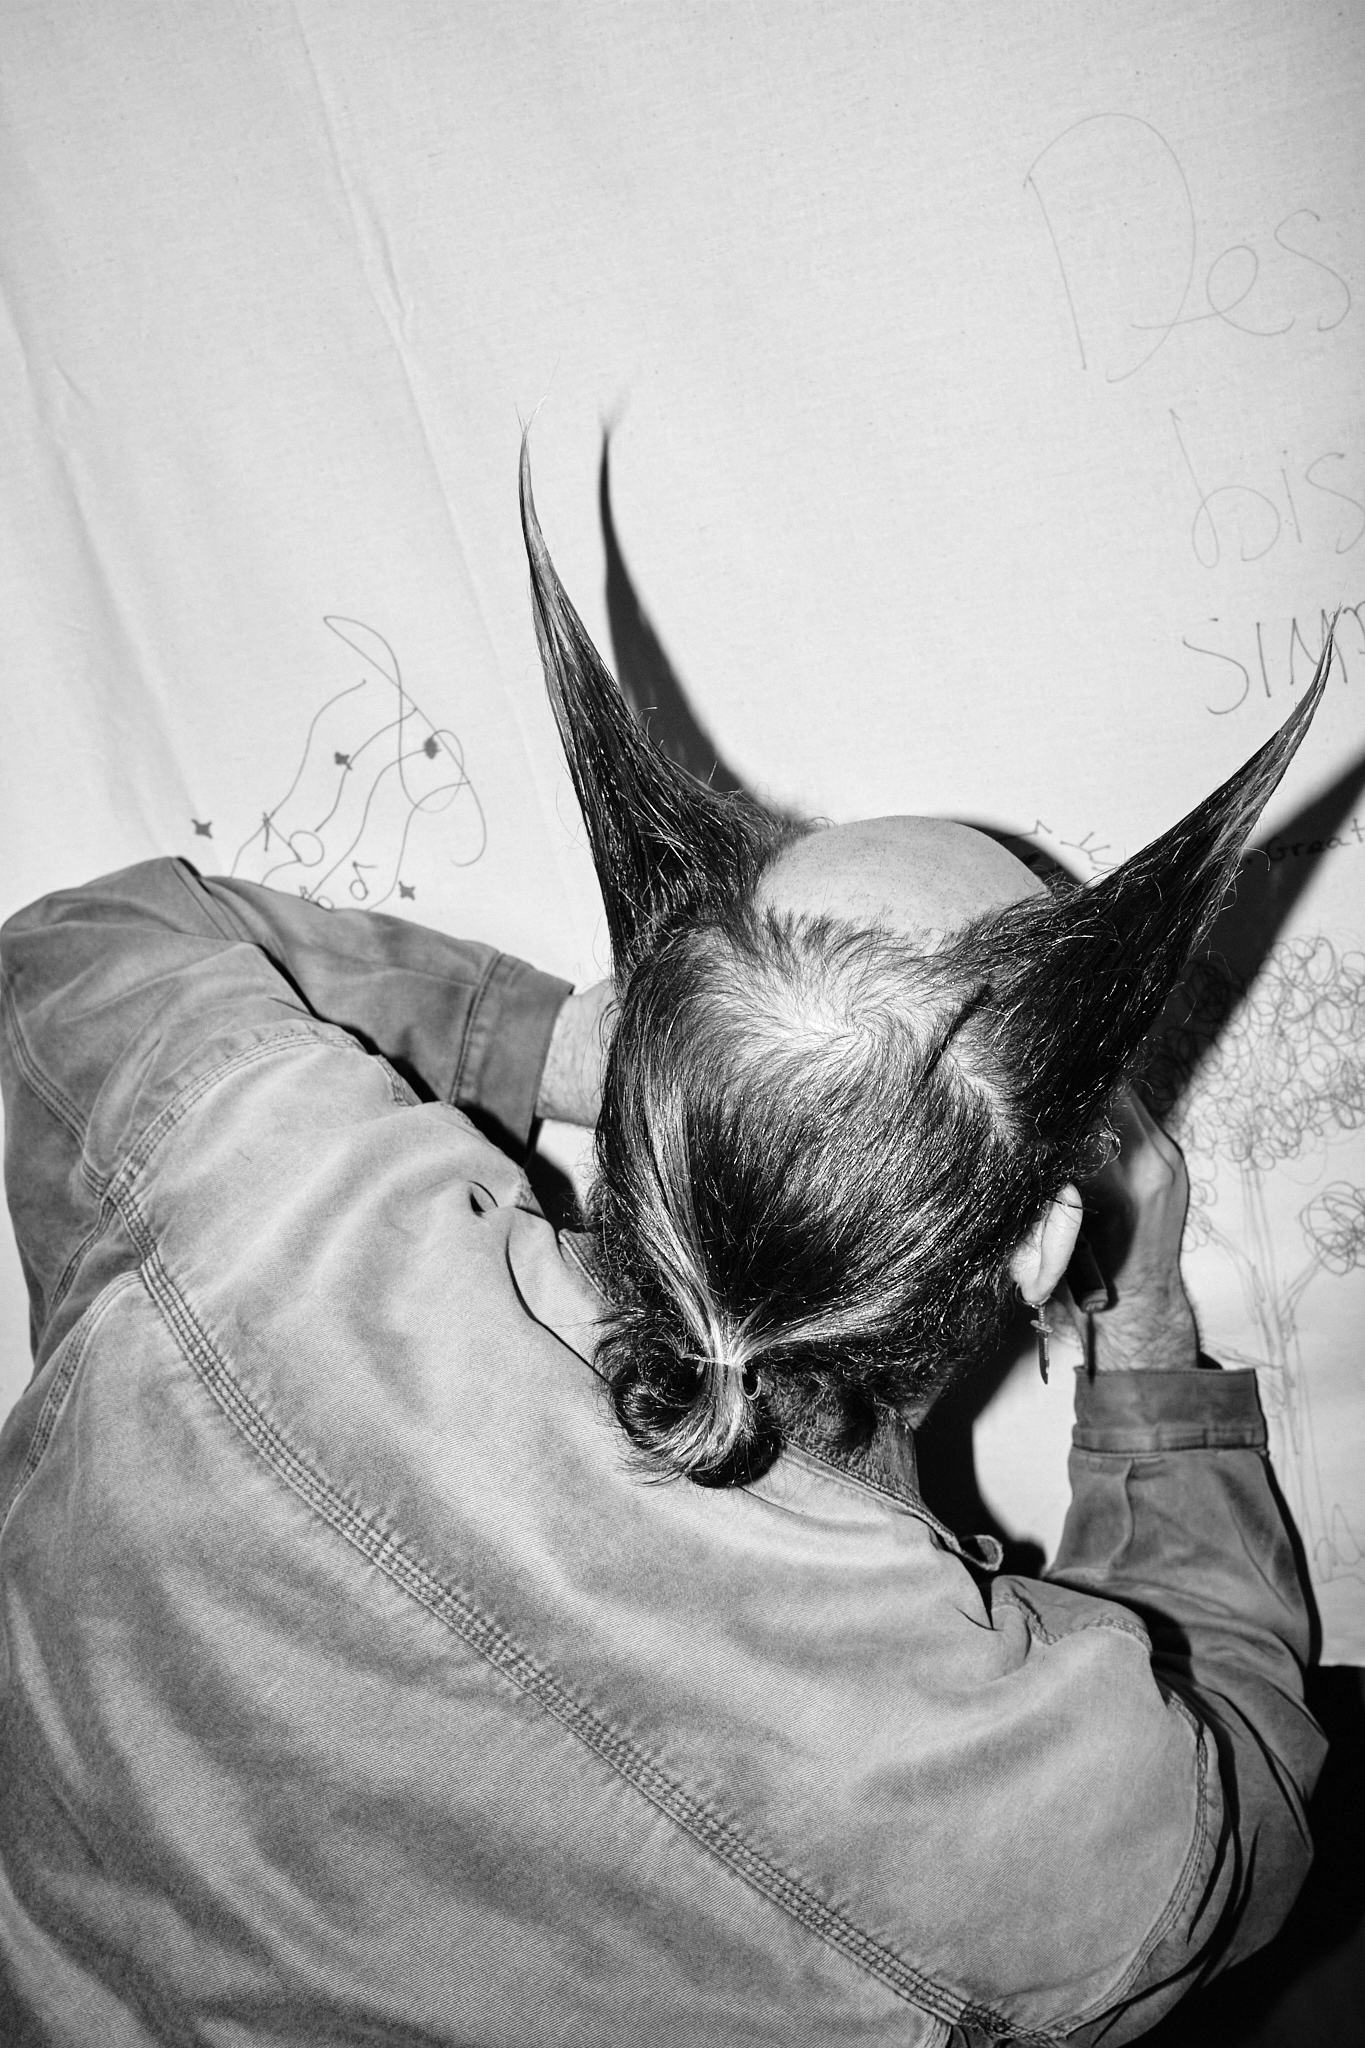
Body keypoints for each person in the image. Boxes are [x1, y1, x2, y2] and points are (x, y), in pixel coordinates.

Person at [0, 456, 1329, 2045]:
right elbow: (1246, 1769)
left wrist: (569, 1044)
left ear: (651, 1080)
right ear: (1043, 1247)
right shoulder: (1044, 1829)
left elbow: (90, 949)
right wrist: (1147, 1321)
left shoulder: (253, 1206)